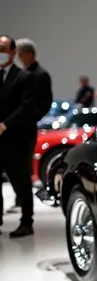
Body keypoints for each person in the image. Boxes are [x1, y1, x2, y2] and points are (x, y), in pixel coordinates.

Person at [7, 38, 52, 220]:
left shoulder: (41, 74)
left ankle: (26, 211)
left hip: (26, 129)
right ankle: (20, 200)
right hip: (15, 129)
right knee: (15, 169)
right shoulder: (21, 74)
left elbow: (44, 103)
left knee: (24, 169)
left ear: (28, 54)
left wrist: (30, 118)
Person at [0, 35, 35, 238]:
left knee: (22, 182)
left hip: (15, 139)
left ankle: (26, 221)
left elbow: (26, 106)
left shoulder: (23, 77)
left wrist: (6, 124)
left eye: (3, 48)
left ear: (13, 52)